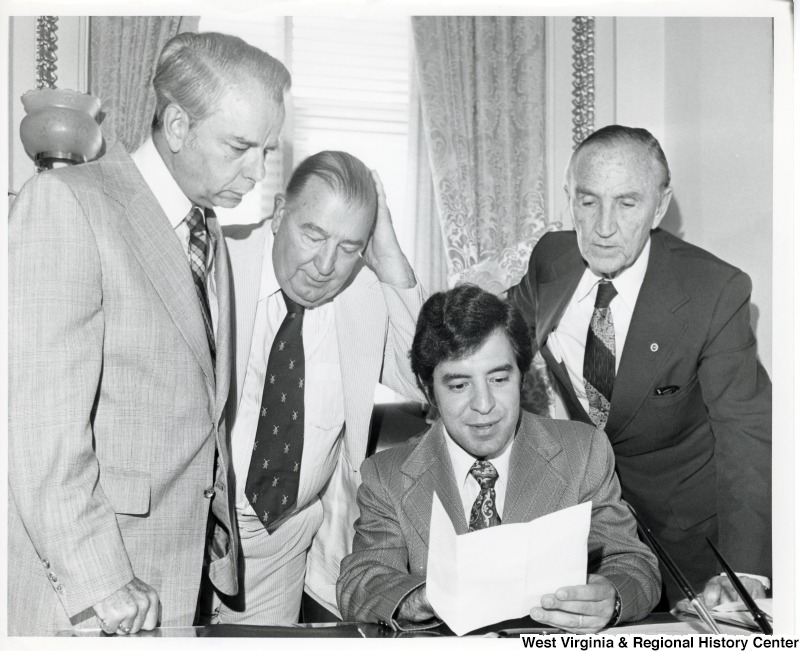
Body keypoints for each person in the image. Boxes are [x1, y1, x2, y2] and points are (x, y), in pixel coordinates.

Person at [8, 32, 290, 636]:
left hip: (175, 582)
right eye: (240, 146)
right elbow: (39, 433)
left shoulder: (205, 228)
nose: (259, 172)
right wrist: (103, 580)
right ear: (180, 126)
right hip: (95, 600)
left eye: (268, 150)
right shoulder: (66, 203)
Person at [506, 125, 771, 608]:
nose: (604, 226)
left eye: (627, 204)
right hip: (592, 537)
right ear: (569, 197)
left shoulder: (714, 291)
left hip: (693, 543)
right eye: (588, 202)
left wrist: (744, 568)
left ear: (660, 205)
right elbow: (492, 336)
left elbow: (747, 431)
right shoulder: (551, 258)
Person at [337, 285, 661, 633]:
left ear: (522, 375)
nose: (484, 405)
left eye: (499, 378)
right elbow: (361, 581)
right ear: (428, 388)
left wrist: (610, 595)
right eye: (459, 386)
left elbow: (633, 563)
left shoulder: (584, 452)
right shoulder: (387, 475)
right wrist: (422, 598)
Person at [210, 150, 426, 624]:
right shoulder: (215, 266)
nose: (326, 265)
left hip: (283, 545)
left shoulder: (361, 299)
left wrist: (386, 251)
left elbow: (426, 378)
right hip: (196, 532)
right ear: (280, 213)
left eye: (349, 247)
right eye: (312, 234)